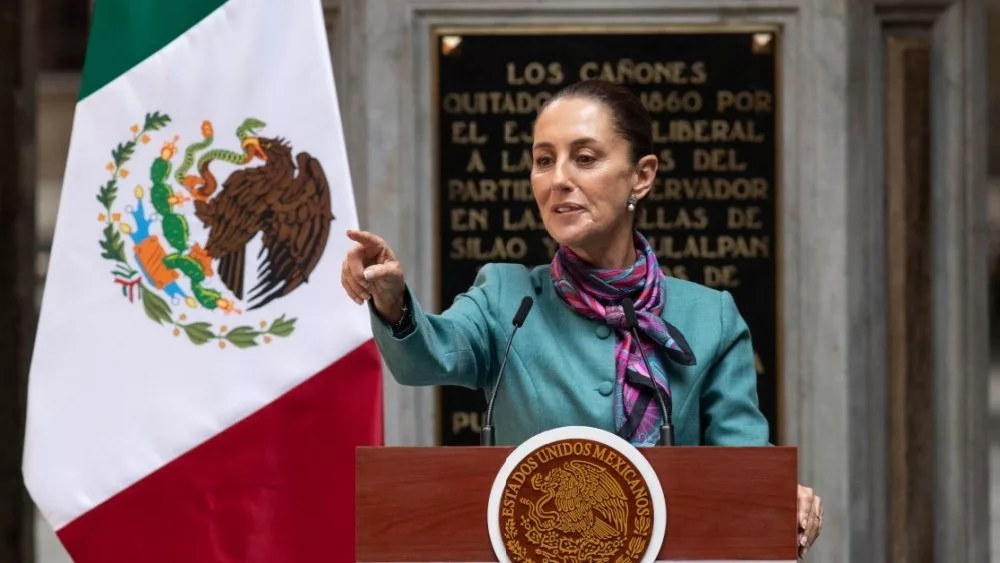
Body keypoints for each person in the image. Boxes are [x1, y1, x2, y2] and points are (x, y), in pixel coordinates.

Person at [341, 79, 822, 557]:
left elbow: (742, 464)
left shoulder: (710, 316)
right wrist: (392, 300)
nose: (558, 179)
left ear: (642, 175)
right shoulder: (507, 297)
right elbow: (426, 358)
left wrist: (774, 495)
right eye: (544, 160)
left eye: (585, 158)